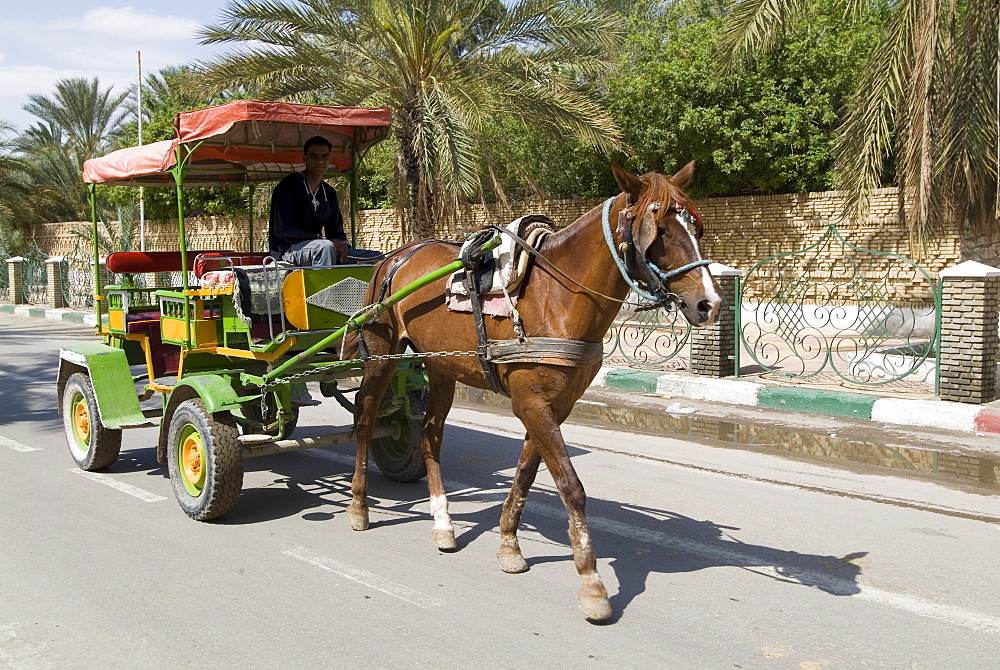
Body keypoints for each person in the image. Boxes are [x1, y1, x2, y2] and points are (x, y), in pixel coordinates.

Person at [269, 135, 349, 266]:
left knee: (372, 257)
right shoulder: (289, 186)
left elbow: (335, 231)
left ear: (330, 159)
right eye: (314, 156)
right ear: (305, 157)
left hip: (318, 246)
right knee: (325, 248)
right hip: (288, 249)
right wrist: (318, 239)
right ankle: (324, 287)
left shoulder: (329, 193)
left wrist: (342, 247)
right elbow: (282, 229)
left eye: (324, 156)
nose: (320, 161)